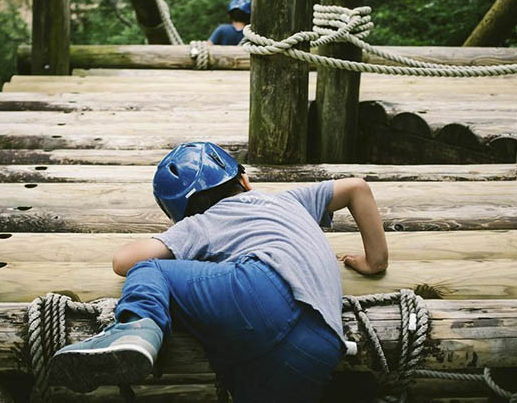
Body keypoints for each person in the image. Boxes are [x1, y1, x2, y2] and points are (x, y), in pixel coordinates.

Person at [49, 142, 388, 402]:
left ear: (181, 213)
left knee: (153, 271)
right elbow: (357, 187)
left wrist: (180, 238)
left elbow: (125, 261)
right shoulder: (288, 201)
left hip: (262, 290)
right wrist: (375, 262)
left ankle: (134, 332)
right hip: (321, 343)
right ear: (244, 179)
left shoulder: (201, 223)